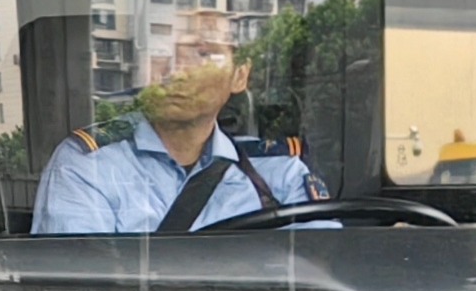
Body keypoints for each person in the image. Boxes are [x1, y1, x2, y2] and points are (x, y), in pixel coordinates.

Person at [31, 51, 323, 233]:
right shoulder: (87, 165)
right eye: (162, 51)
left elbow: (321, 278)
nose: (177, 71)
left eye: (204, 54)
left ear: (239, 75)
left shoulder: (279, 173)